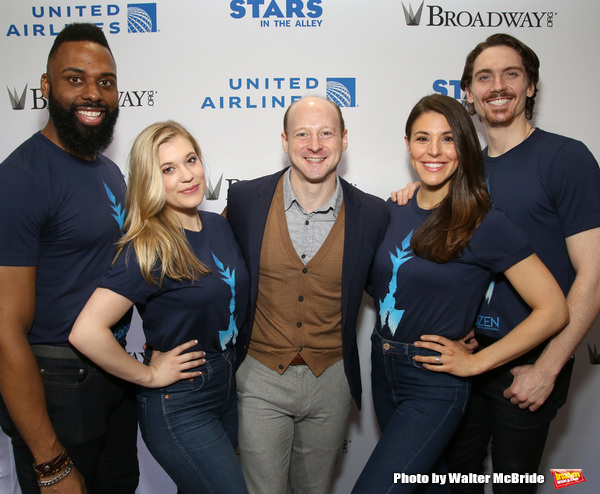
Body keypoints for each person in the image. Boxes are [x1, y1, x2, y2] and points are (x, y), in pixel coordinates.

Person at [394, 34, 600, 492]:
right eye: (484, 77)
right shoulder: (461, 170)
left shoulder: (566, 158)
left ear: (531, 86)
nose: (497, 86)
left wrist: (547, 368)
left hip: (526, 362)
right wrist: (413, 196)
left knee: (514, 483)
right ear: (468, 91)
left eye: (511, 74)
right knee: (454, 481)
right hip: (465, 355)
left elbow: (594, 275)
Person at [352, 94, 568, 494]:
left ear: (465, 146)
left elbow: (554, 310)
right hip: (383, 370)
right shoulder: (392, 209)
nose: (434, 151)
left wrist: (478, 363)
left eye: (448, 139)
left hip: (434, 384)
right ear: (407, 145)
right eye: (422, 138)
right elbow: (379, 283)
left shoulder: (485, 222)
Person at [70, 121, 250, 494]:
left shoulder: (218, 225)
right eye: (168, 169)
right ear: (150, 179)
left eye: (191, 160)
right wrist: (148, 376)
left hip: (226, 387)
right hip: (180, 404)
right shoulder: (148, 246)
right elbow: (86, 331)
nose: (187, 176)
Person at [0, 23, 139, 493]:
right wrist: (50, 463)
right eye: (75, 79)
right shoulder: (21, 178)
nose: (93, 93)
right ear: (46, 86)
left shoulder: (108, 170)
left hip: (113, 378)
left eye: (105, 81)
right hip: (58, 387)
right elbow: (3, 331)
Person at [226, 95, 389, 494]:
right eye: (302, 134)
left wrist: (456, 323)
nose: (314, 145)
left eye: (325, 133)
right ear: (285, 141)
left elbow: (396, 281)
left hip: (331, 381)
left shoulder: (374, 213)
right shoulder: (245, 200)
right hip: (260, 376)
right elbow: (215, 272)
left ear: (344, 139)